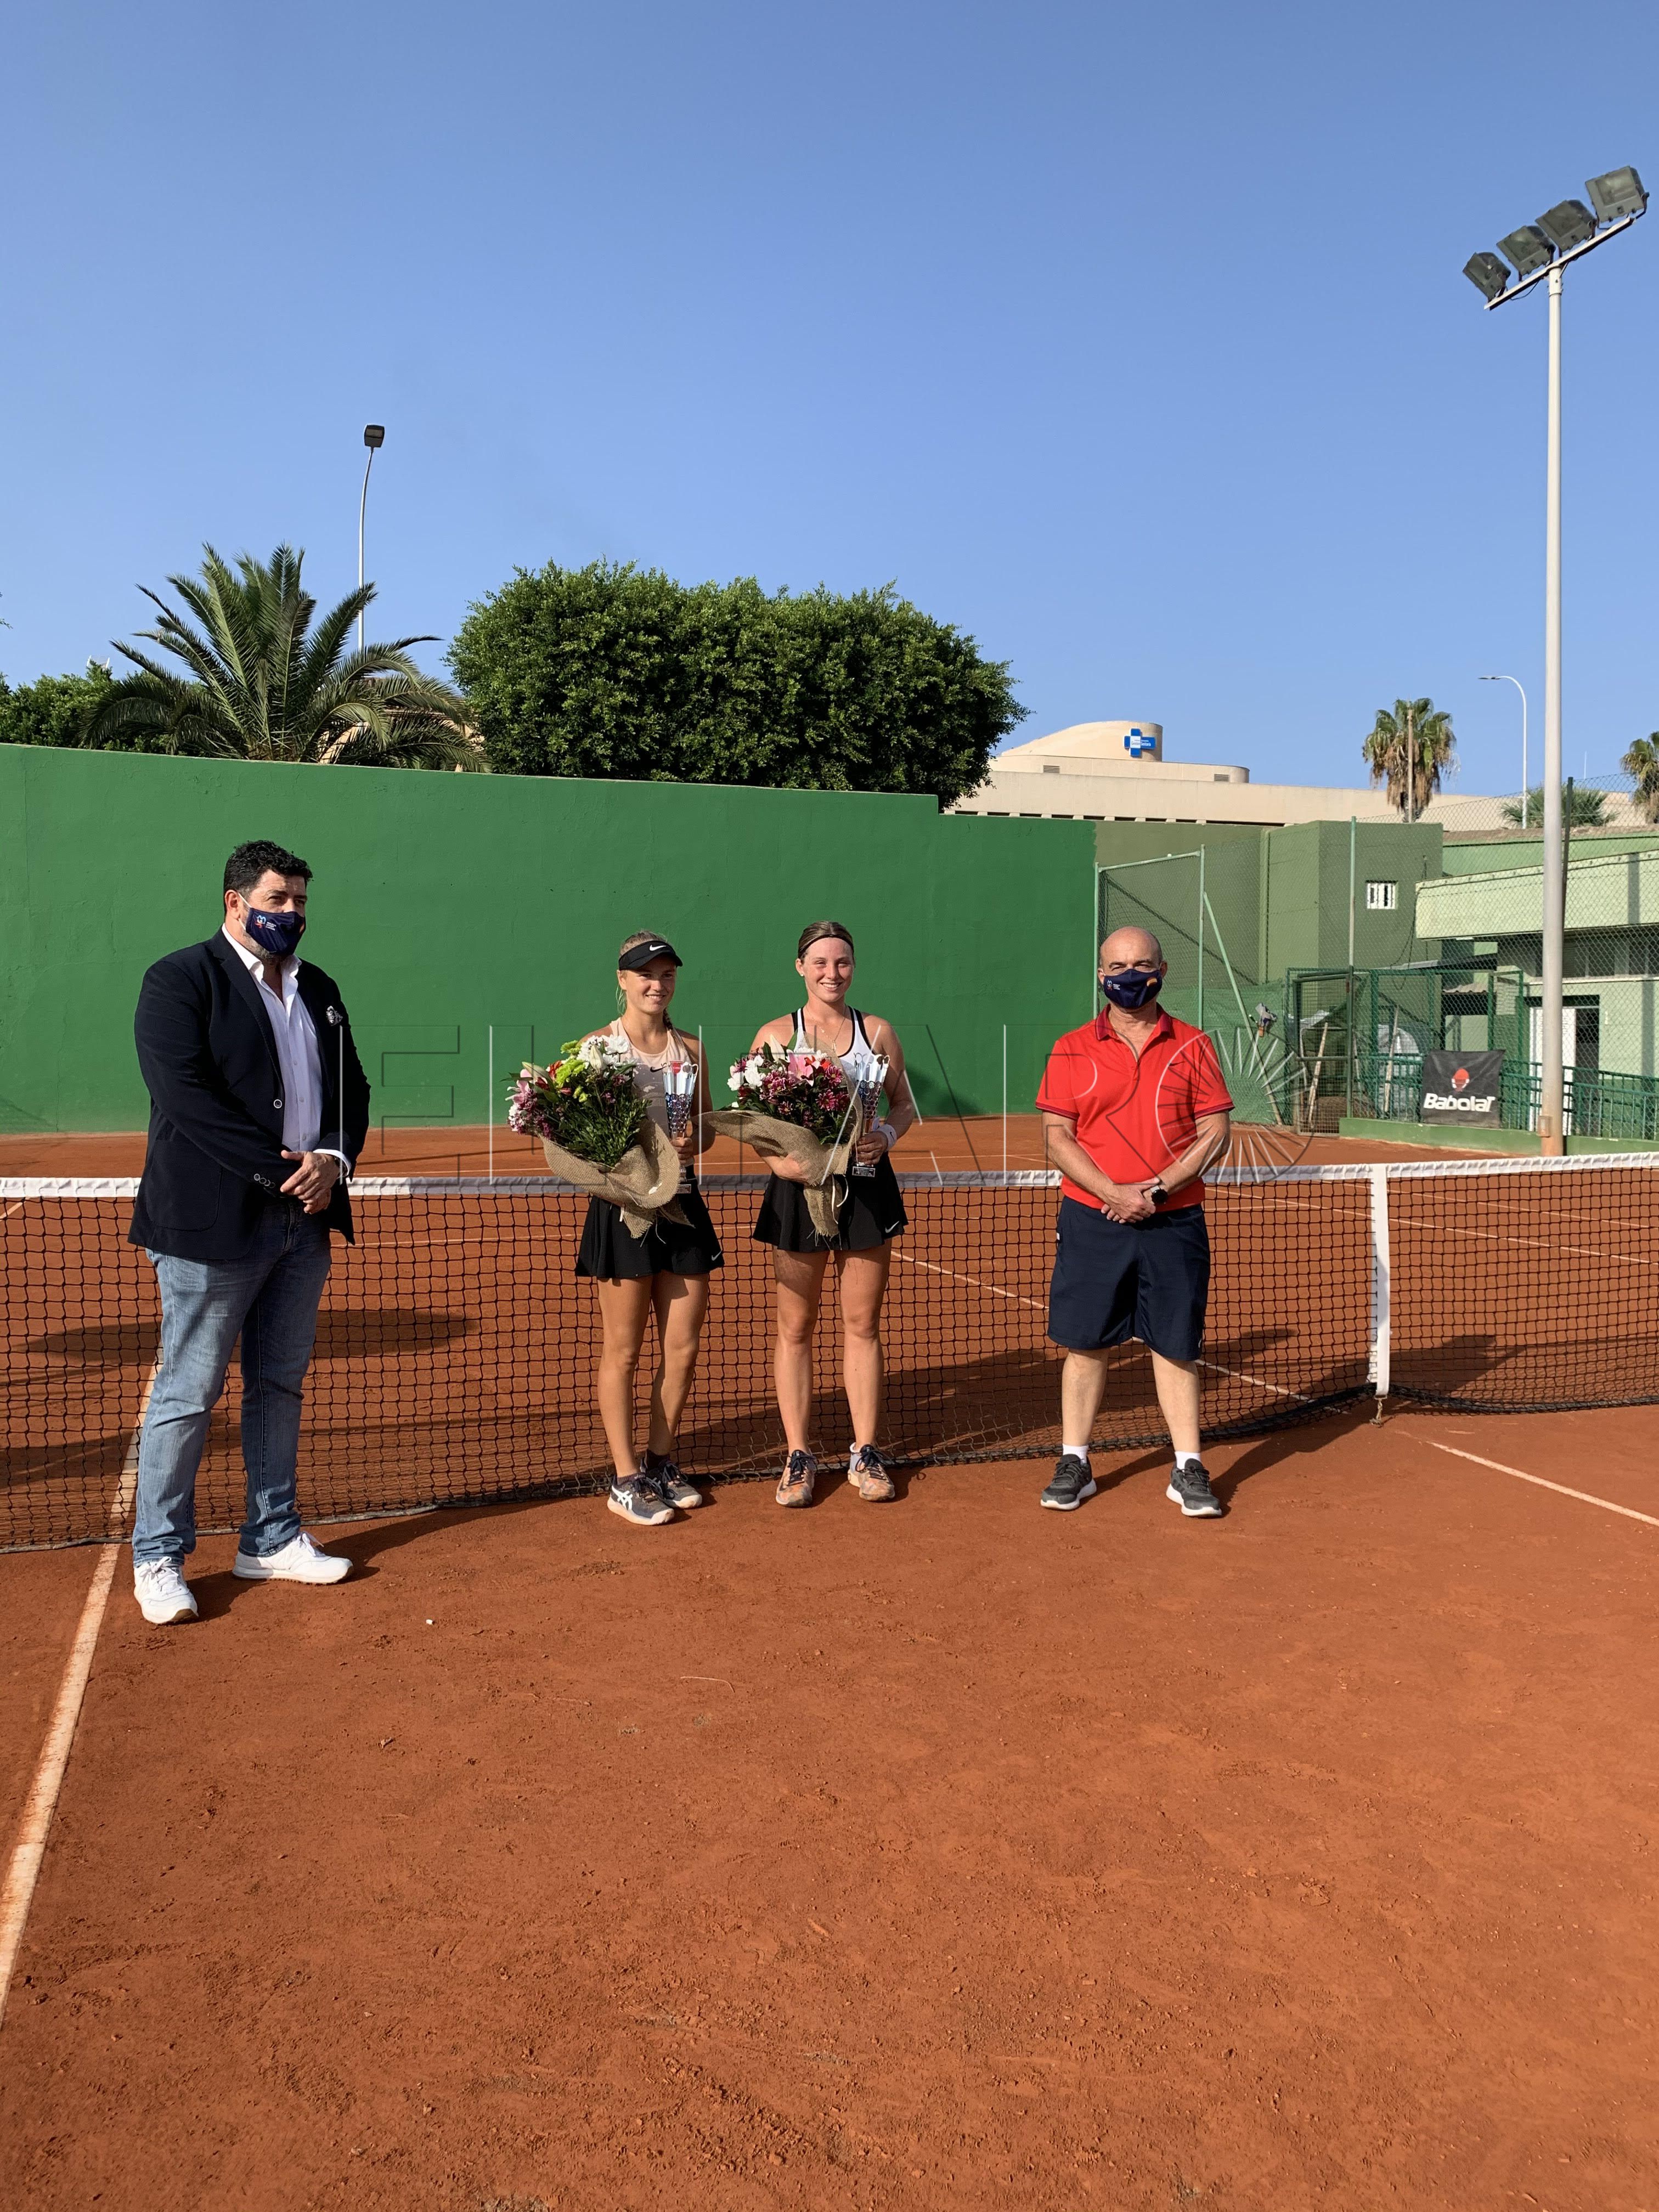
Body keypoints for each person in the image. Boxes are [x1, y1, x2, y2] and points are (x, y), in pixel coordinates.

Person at [127, 839, 371, 1624]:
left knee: (278, 1385)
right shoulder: (179, 980)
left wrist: (333, 1157)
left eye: (300, 901)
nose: (292, 915)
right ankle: (159, 1555)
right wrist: (281, 1169)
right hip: (211, 1225)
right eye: (277, 901)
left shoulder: (320, 987)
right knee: (189, 1393)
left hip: (304, 1223)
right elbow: (185, 1099)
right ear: (235, 902)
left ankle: (270, 1537)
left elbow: (353, 1086)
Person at [1035, 925, 1233, 1517]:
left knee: (1175, 1346)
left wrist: (1156, 1188)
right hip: (1092, 1218)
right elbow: (1056, 1136)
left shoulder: (1194, 1044)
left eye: (1141, 964)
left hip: (1175, 1220)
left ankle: (1187, 1467)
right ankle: (1076, 1460)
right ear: (1100, 974)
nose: (1129, 975)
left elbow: (1216, 1132)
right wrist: (1112, 1193)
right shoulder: (1071, 1047)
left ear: (1163, 969)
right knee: (1086, 1344)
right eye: (1118, 966)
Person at [749, 921, 918, 1508]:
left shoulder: (878, 1033)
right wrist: (779, 1166)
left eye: (842, 962)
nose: (832, 973)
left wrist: (886, 1138)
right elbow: (755, 1123)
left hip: (867, 1191)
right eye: (820, 962)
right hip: (799, 1198)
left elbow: (904, 1105)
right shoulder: (774, 1036)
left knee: (862, 1326)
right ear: (800, 966)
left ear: (853, 967)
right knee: (796, 1329)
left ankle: (865, 1452)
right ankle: (799, 1456)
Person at [575, 932, 721, 1527]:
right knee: (625, 1349)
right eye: (644, 974)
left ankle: (661, 1461)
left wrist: (697, 1141)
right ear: (622, 979)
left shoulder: (691, 1050)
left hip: (683, 1207)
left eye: (665, 974)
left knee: (683, 1347)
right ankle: (626, 1477)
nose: (656, 984)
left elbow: (706, 1127)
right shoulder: (596, 1049)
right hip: (622, 1213)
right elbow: (575, 1141)